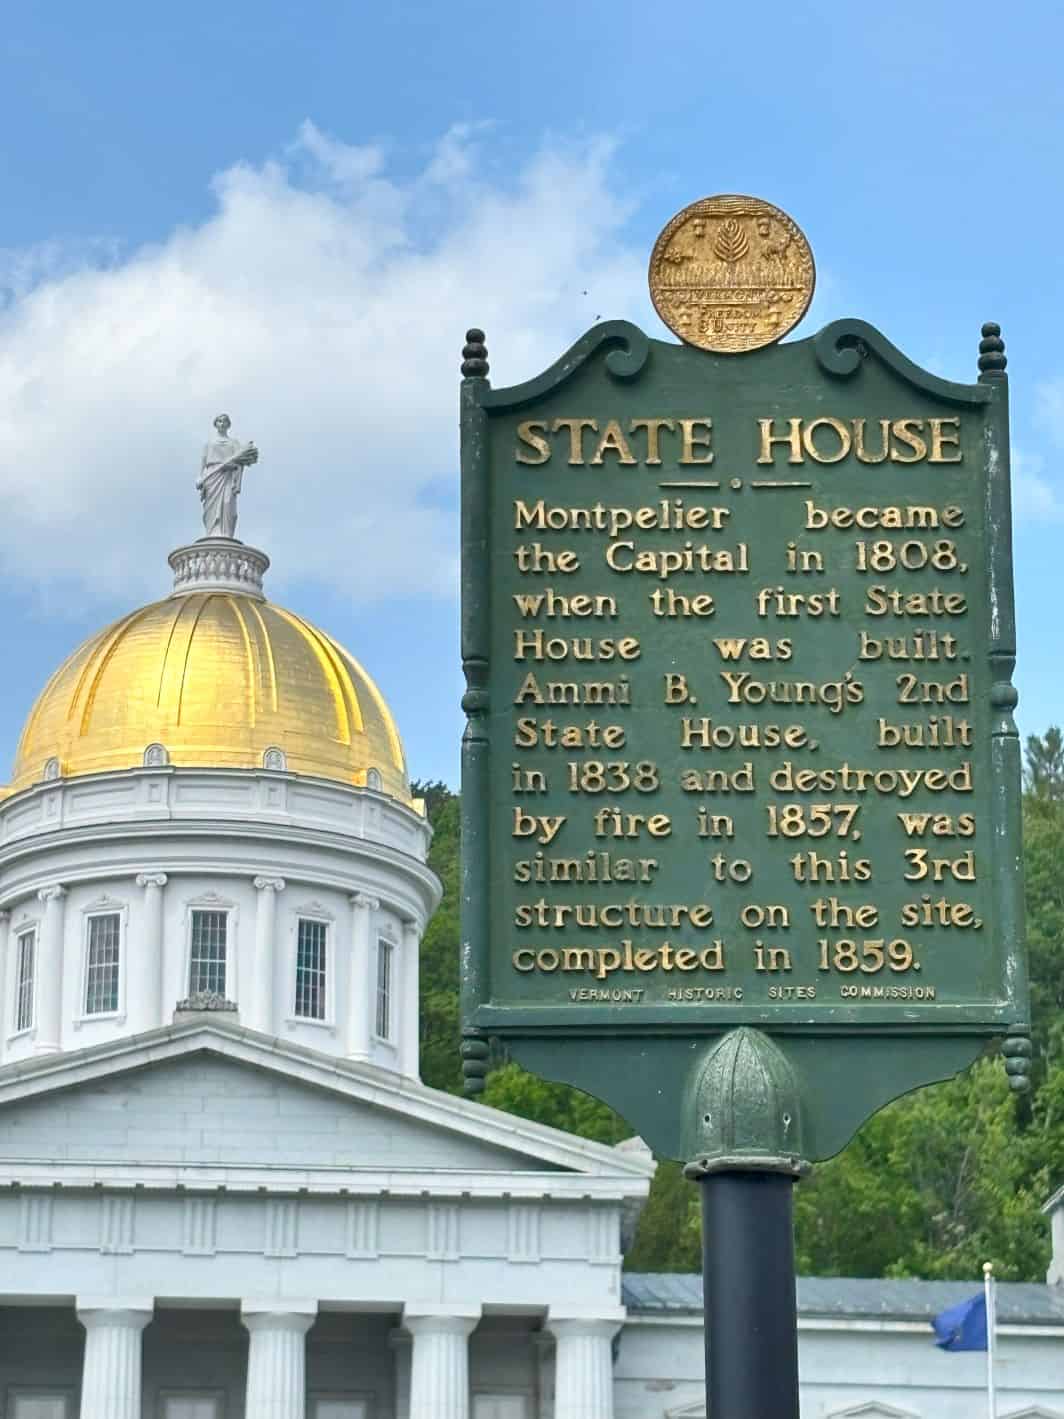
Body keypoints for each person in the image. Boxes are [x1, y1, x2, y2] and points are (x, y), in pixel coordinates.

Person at [196, 413, 259, 538]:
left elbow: (240, 462)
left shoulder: (233, 443)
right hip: (212, 476)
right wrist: (200, 477)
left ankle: (226, 533)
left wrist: (232, 466)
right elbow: (203, 462)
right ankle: (212, 532)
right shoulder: (209, 443)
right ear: (215, 424)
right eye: (219, 421)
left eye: (224, 421)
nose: (222, 423)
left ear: (228, 424)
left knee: (227, 503)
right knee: (211, 507)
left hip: (228, 476)